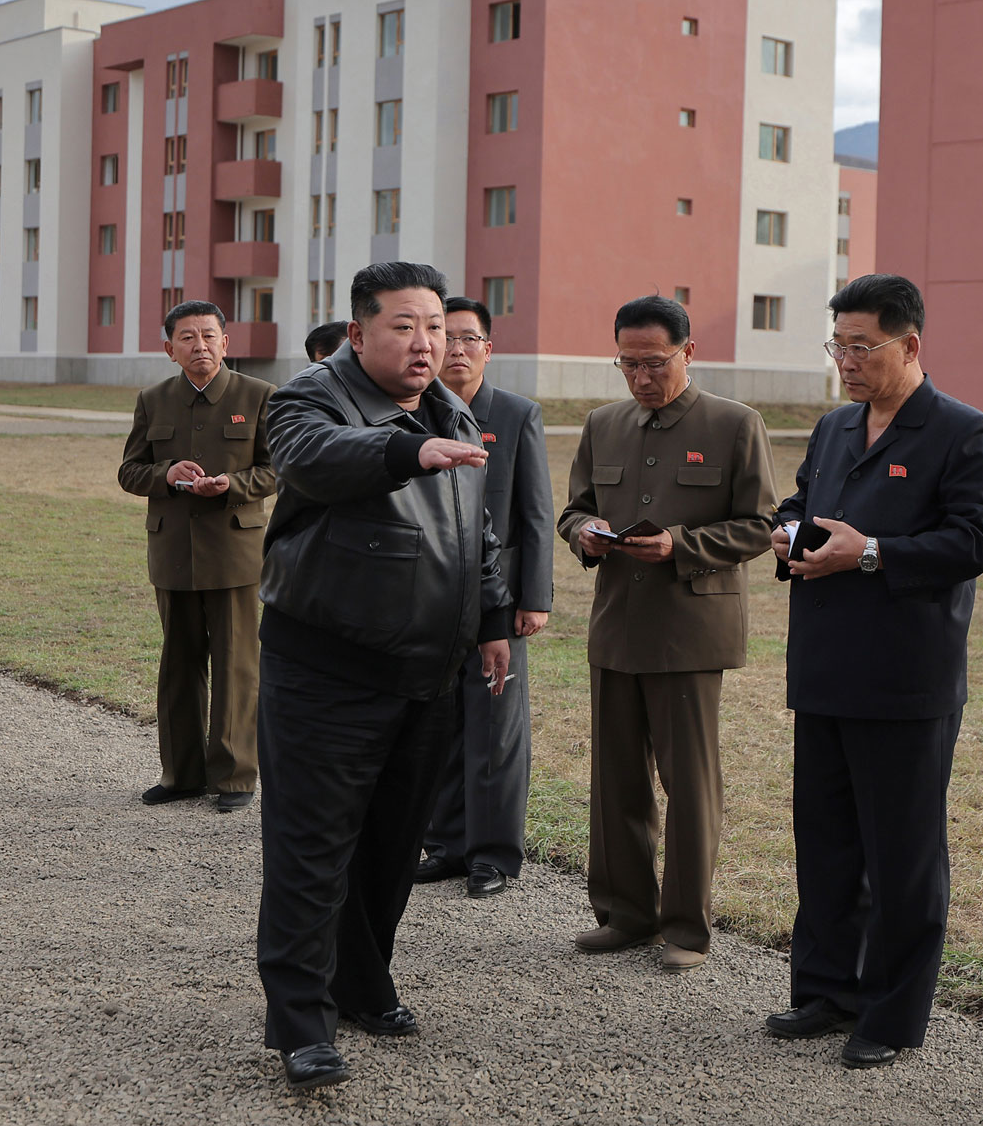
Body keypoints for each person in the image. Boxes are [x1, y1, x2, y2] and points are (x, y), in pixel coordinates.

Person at [254, 262, 514, 1091]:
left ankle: (362, 986)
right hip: (327, 670)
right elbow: (315, 461)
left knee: (392, 847)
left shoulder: (451, 407)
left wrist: (495, 619)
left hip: (427, 672)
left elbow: (480, 534)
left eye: (435, 326)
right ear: (358, 331)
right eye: (404, 325)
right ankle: (301, 1020)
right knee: (312, 849)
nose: (425, 342)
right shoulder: (309, 398)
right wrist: (407, 451)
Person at [763, 273, 983, 1069]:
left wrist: (869, 552)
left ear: (911, 345)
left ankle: (892, 1014)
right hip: (826, 668)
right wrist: (787, 532)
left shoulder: (965, 434)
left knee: (902, 854)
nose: (847, 361)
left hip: (906, 680)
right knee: (827, 841)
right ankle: (826, 988)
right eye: (838, 345)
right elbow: (797, 502)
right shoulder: (836, 428)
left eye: (862, 346)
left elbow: (977, 540)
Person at [556, 295, 777, 971]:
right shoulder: (603, 424)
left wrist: (682, 544)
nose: (641, 376)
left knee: (690, 784)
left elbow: (760, 525)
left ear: (688, 352)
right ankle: (626, 914)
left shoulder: (736, 424)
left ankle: (686, 927)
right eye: (628, 363)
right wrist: (584, 534)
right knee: (616, 780)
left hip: (690, 630)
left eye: (655, 362)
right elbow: (575, 509)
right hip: (618, 624)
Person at [416, 296, 554, 899]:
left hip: (500, 602)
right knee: (440, 722)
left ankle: (493, 854)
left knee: (496, 727)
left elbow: (536, 514)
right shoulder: (415, 414)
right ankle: (445, 844)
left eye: (470, 339)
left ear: (488, 349)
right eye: (448, 338)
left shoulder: (517, 414)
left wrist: (535, 598)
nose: (458, 349)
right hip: (430, 598)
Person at [116, 300, 277, 813]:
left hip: (234, 551)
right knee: (179, 664)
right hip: (173, 552)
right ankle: (181, 774)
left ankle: (233, 778)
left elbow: (278, 470)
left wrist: (232, 484)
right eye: (187, 338)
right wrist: (164, 475)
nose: (200, 346)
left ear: (226, 343)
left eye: (209, 335)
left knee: (236, 664)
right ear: (169, 349)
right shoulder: (153, 399)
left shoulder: (259, 396)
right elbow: (129, 471)